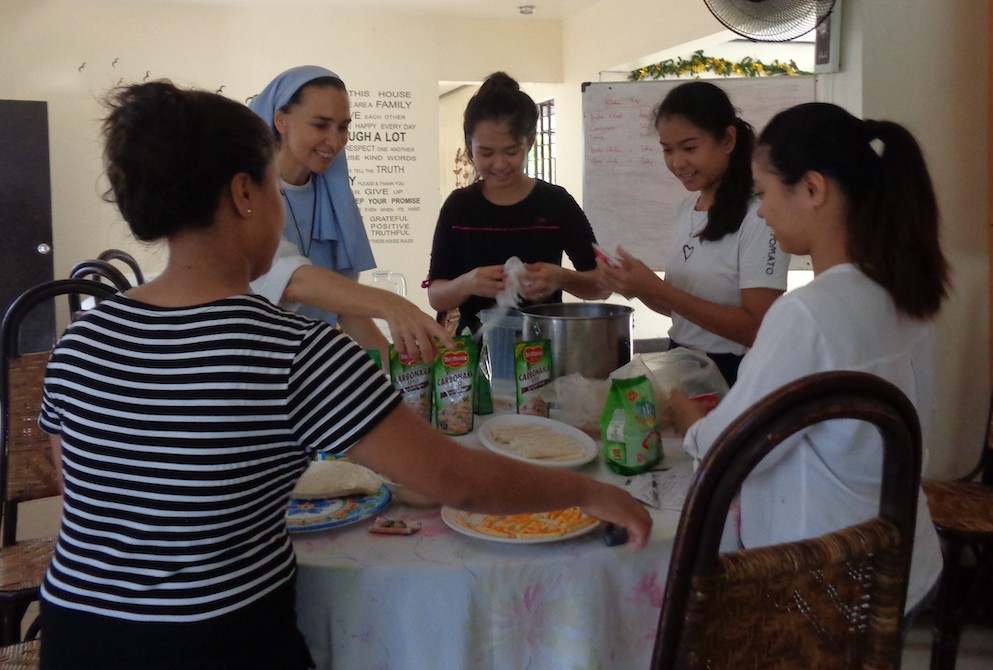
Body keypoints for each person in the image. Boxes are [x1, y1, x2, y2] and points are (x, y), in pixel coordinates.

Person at [36, 80, 651, 670]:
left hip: (73, 636)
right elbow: (457, 481)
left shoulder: (79, 341)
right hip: (218, 642)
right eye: (277, 188)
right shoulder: (291, 348)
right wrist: (589, 493)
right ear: (246, 195)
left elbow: (82, 485)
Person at [667, 102, 948, 619]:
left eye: (766, 192)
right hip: (903, 559)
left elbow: (730, 450)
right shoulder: (907, 288)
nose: (764, 210)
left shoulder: (807, 314)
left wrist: (687, 418)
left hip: (825, 578)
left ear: (813, 189)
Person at [249, 65, 447, 364]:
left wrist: (394, 366)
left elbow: (343, 303)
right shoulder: (249, 193)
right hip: (258, 363)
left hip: (312, 366)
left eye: (342, 127)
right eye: (320, 125)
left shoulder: (332, 196)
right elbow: (289, 280)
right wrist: (391, 305)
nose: (335, 140)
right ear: (281, 120)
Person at [597, 81, 790, 386]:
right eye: (667, 150)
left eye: (689, 148)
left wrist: (659, 290)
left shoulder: (761, 215)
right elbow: (681, 311)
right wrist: (638, 287)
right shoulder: (689, 207)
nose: (677, 162)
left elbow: (757, 327)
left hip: (736, 374)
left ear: (727, 139)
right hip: (683, 362)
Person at [426, 71, 610, 335]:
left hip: (542, 351)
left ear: (530, 142)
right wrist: (469, 283)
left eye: (511, 152)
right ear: (469, 147)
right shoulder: (460, 207)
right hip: (471, 355)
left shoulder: (555, 203)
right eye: (486, 153)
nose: (499, 164)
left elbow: (602, 285)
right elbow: (437, 295)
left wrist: (561, 277)